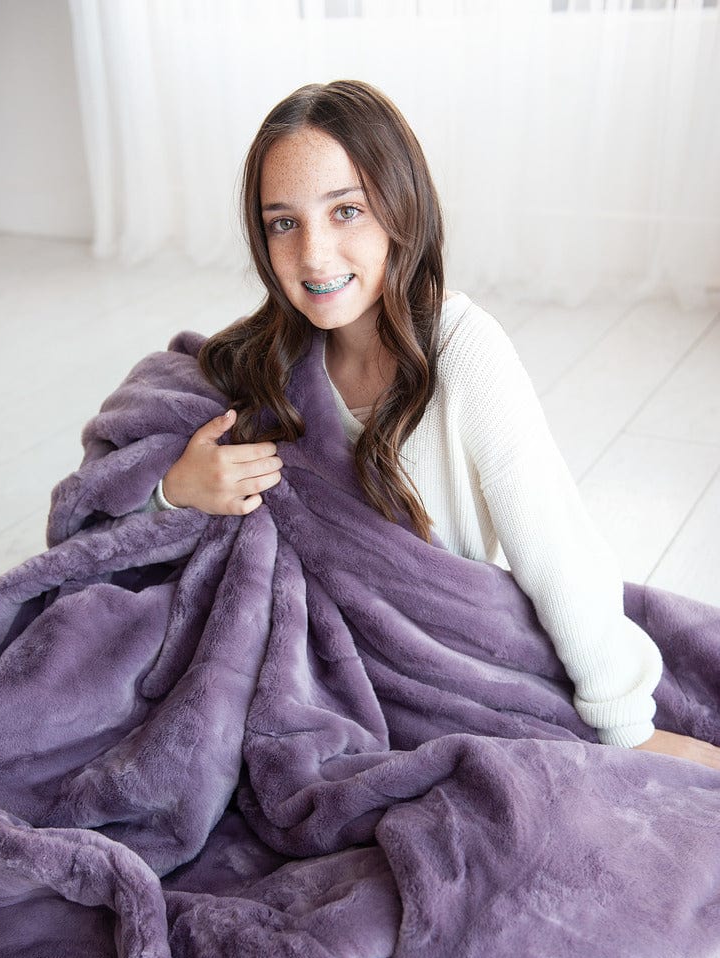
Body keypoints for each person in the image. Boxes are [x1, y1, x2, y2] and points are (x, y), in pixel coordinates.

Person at [146, 79, 719, 769]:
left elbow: (556, 549)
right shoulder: (260, 357)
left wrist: (625, 726)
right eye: (283, 222)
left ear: (400, 210)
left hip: (442, 669)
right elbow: (139, 497)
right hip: (308, 685)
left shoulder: (463, 351)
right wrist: (174, 493)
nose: (315, 255)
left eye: (346, 211)